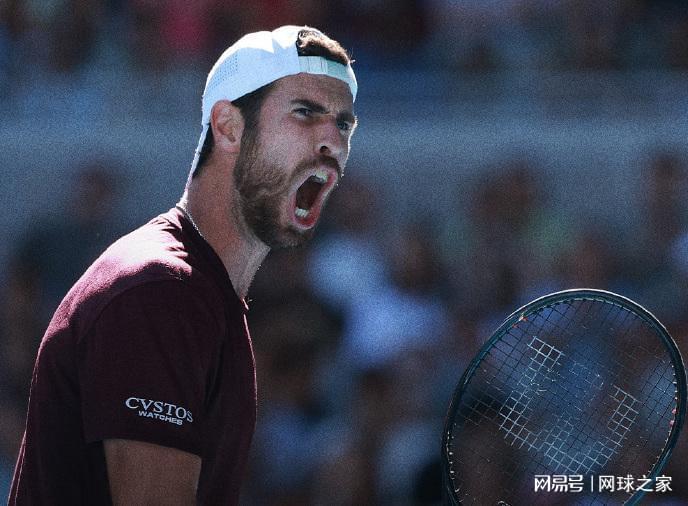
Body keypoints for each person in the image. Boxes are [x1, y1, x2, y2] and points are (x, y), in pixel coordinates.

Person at [9, 25, 358, 505]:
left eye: (344, 124)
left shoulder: (196, 294)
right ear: (228, 126)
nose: (333, 142)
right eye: (305, 112)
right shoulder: (159, 293)